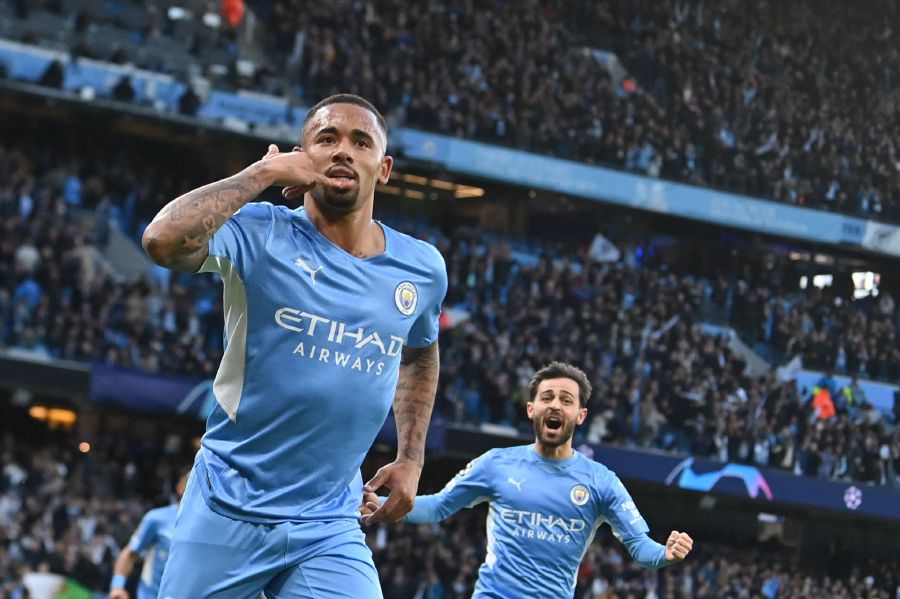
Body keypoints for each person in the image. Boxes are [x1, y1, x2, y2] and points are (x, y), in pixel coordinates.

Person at [142, 93, 447, 598]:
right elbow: (162, 241)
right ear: (300, 160)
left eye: (360, 141)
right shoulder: (259, 232)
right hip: (228, 506)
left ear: (384, 168)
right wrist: (259, 175)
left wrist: (412, 457)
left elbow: (419, 349)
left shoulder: (422, 267)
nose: (342, 150)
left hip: (328, 523)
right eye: (326, 139)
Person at [361, 361, 694, 598]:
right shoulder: (496, 463)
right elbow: (440, 506)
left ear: (580, 416)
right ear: (531, 409)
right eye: (547, 397)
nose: (555, 405)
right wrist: (391, 504)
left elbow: (639, 545)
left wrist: (666, 553)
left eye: (566, 400)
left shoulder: (601, 482)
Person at [108, 473, 188, 599]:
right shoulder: (156, 518)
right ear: (180, 488)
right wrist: (117, 586)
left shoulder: (210, 527)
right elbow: (129, 553)